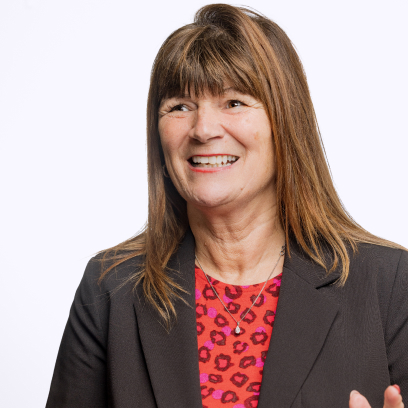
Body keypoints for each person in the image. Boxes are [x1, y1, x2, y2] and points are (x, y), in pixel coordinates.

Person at [46, 4, 407, 408]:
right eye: (180, 106)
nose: (203, 129)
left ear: (286, 121)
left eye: (234, 102)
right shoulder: (110, 287)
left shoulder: (391, 284)